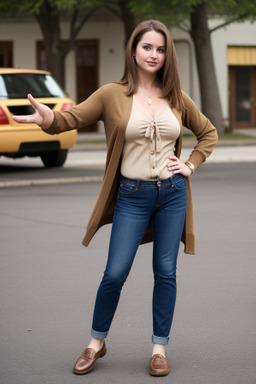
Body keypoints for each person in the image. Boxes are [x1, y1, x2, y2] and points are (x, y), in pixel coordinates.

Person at [12, 19, 218, 377]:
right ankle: (96, 342)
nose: (154, 54)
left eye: (161, 48)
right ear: (133, 50)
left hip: (172, 195)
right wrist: (48, 120)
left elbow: (208, 133)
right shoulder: (112, 94)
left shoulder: (177, 97)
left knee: (165, 272)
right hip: (132, 195)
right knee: (115, 273)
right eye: (147, 47)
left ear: (167, 54)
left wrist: (189, 165)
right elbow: (72, 118)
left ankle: (158, 348)